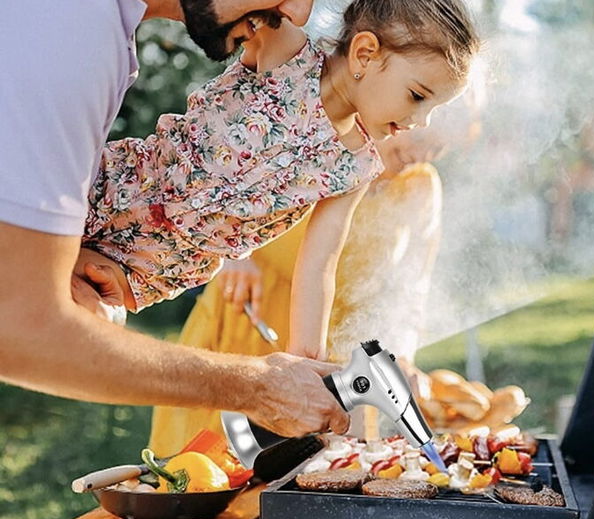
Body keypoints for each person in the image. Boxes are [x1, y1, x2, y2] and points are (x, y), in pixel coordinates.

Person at [0, 0, 353, 439]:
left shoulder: (95, 31)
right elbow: (22, 328)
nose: (299, 14)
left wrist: (59, 273)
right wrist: (259, 388)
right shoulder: (71, 37)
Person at [73, 0, 479, 369]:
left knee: (73, 312)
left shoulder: (356, 166)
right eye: (417, 96)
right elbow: (218, 13)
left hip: (144, 268)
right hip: (109, 188)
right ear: (365, 53)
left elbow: (319, 264)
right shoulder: (287, 53)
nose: (421, 121)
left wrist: (306, 363)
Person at [148, 130, 445, 456]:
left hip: (326, 355)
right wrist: (233, 252)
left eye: (438, 146)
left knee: (304, 474)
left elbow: (410, 287)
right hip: (248, 323)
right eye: (422, 138)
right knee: (202, 467)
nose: (422, 154)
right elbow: (216, 178)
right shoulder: (320, 140)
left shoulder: (420, 188)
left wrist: (400, 355)